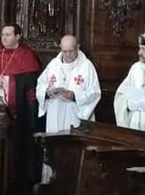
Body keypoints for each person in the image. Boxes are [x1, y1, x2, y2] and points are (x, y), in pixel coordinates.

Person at [0, 23, 42, 192]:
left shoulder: (27, 57)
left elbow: (28, 86)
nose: (4, 38)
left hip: (16, 113)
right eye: (3, 34)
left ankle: (15, 182)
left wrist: (6, 82)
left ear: (18, 37)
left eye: (8, 34)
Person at [36, 35, 101, 181]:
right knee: (54, 150)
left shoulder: (86, 66)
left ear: (77, 48)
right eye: (64, 51)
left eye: (71, 51)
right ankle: (51, 184)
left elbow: (95, 93)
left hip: (75, 116)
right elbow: (40, 85)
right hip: (55, 113)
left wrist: (74, 96)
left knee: (72, 152)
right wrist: (47, 93)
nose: (67, 55)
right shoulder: (53, 64)